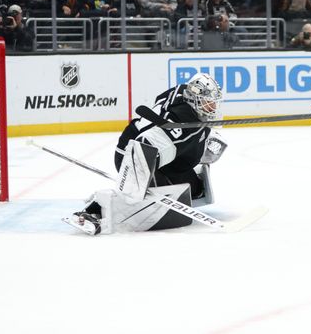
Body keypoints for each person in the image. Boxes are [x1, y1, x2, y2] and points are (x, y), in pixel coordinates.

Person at [66, 73, 226, 235]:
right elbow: (143, 145)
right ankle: (96, 210)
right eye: (208, 103)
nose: (213, 107)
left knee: (196, 191)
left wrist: (202, 142)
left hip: (156, 150)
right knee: (141, 199)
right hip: (133, 154)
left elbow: (162, 101)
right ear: (194, 100)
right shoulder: (184, 126)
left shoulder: (182, 92)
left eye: (213, 103)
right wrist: (137, 185)